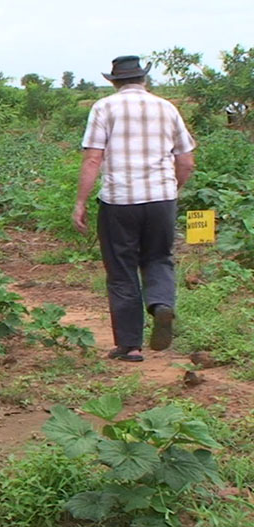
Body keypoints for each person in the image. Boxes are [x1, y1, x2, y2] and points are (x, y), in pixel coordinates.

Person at [72, 55, 196, 362]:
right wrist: (171, 190)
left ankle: (130, 346)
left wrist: (81, 202)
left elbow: (92, 159)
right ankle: (160, 304)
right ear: (144, 79)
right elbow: (186, 161)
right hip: (161, 199)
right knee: (159, 257)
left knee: (121, 269)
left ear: (114, 82)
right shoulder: (167, 108)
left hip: (120, 201)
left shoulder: (104, 107)